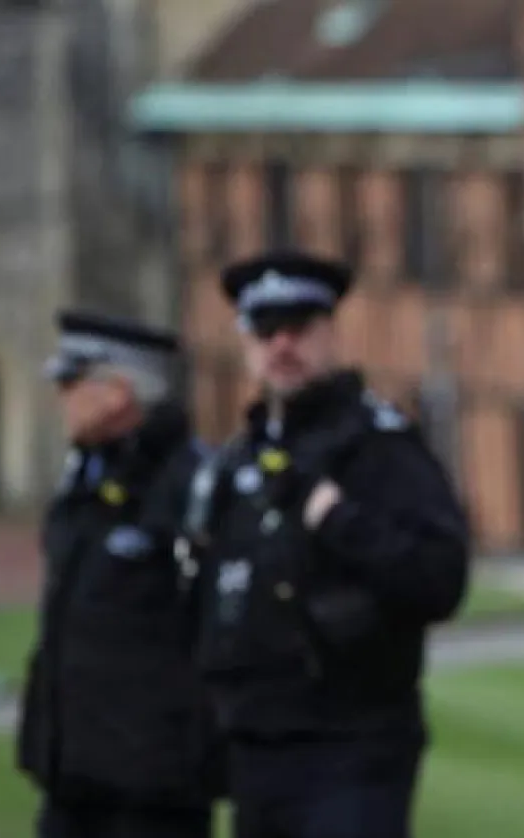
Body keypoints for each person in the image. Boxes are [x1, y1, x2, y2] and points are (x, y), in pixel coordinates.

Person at [178, 250, 471, 838]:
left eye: (299, 329)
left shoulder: (379, 448)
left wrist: (341, 522)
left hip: (352, 749)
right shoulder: (233, 466)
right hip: (257, 752)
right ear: (246, 343)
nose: (282, 346)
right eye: (266, 331)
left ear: (331, 334)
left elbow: (441, 578)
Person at [17, 310, 223, 838]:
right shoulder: (84, 478)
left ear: (118, 391)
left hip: (152, 791)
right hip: (73, 779)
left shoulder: (189, 485)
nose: (62, 396)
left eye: (72, 381)